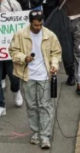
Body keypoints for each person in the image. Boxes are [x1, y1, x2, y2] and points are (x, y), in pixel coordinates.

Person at [9, 9, 62, 149]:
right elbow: (13, 51)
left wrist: (54, 65)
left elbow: (56, 53)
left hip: (44, 76)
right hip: (28, 76)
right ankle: (35, 132)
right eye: (35, 25)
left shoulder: (50, 35)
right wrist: (24, 58)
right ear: (30, 23)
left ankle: (45, 136)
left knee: (45, 106)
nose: (38, 27)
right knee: (32, 106)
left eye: (40, 24)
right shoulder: (20, 34)